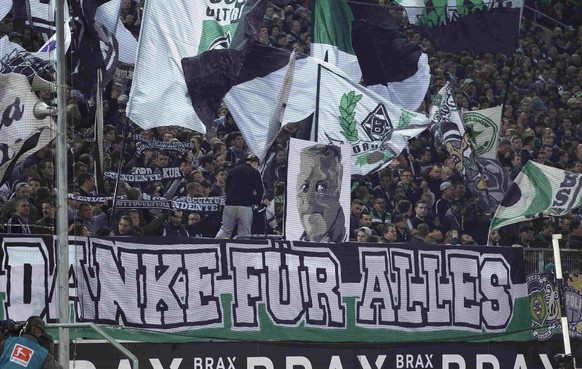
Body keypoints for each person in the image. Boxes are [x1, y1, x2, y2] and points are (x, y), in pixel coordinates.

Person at [295, 144, 346, 243]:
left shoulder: (349, 243)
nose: (309, 200)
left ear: (339, 185)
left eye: (322, 187)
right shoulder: (295, 244)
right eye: (305, 187)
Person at [215, 155, 264, 239]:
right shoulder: (254, 172)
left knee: (225, 230)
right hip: (245, 206)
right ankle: (240, 251)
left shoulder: (232, 170)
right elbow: (260, 190)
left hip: (229, 205)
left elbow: (227, 188)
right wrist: (256, 202)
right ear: (255, 163)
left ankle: (215, 248)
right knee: (244, 233)